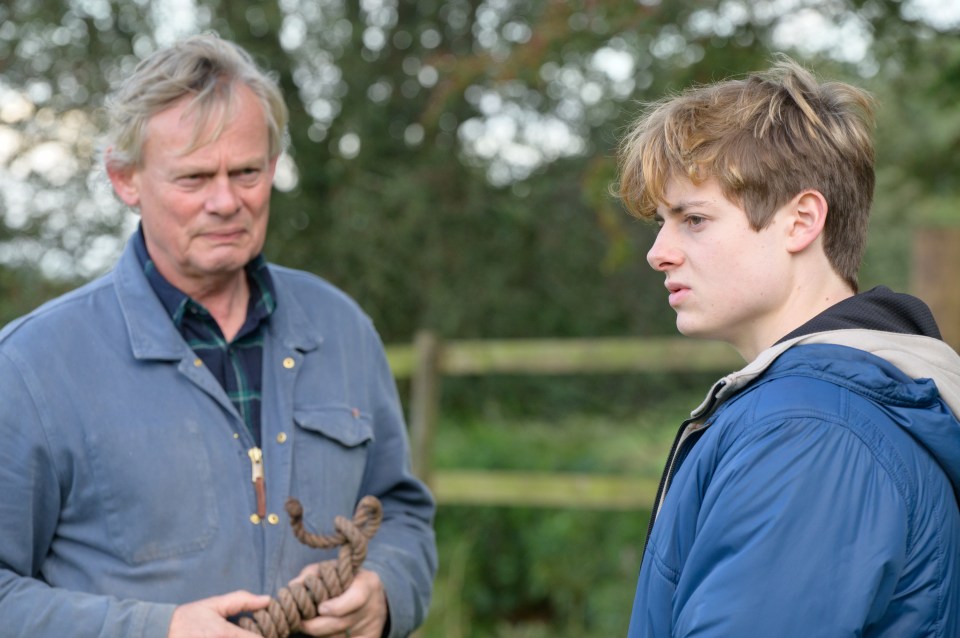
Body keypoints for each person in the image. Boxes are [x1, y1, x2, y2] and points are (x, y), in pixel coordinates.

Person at [0, 33, 436, 638]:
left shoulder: (342, 329)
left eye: (248, 172)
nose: (227, 201)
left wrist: (385, 590)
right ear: (125, 179)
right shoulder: (31, 366)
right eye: (195, 178)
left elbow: (401, 512)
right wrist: (158, 630)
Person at [617, 57, 960, 636]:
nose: (658, 252)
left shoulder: (810, 431)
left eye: (693, 219)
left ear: (801, 221)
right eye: (660, 221)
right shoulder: (827, 409)